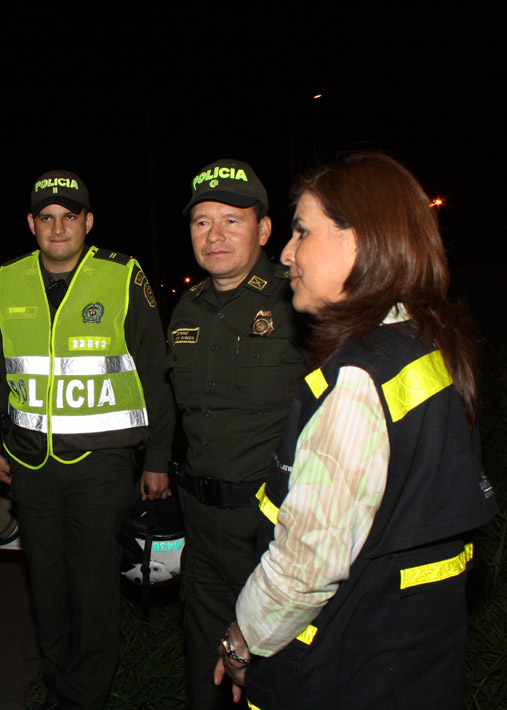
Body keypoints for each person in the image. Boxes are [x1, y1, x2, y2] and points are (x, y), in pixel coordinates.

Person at [214, 152, 499, 708]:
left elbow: (304, 566)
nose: (287, 253)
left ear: (360, 240)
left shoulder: (358, 382)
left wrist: (241, 642)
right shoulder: (425, 345)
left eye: (302, 231)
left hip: (342, 671)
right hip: (413, 665)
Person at [0, 170, 174, 710]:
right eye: (47, 217)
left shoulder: (121, 275)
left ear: (89, 222)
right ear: (31, 224)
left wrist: (158, 456)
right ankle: (57, 684)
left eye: (70, 216)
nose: (58, 227)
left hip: (102, 464)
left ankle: (83, 697)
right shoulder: (9, 279)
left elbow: (154, 372)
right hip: (31, 465)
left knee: (92, 591)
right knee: (46, 588)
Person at [167, 158, 307, 708]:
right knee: (207, 679)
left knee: (275, 681)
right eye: (202, 221)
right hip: (202, 534)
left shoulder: (297, 302)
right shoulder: (185, 309)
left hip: (271, 532)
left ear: (264, 230)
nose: (214, 235)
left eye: (232, 220)